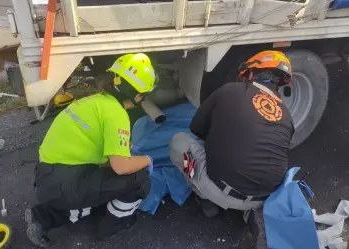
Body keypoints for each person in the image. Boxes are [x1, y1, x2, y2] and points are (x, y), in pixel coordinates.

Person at [25, 53, 156, 248]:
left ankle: (43, 216)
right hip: (67, 184)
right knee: (139, 178)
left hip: (47, 177)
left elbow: (96, 154)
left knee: (101, 180)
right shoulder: (116, 114)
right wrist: (147, 160)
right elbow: (120, 167)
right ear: (138, 95)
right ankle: (113, 226)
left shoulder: (94, 102)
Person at [170, 50, 294, 220]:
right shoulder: (287, 115)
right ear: (278, 84)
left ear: (251, 73)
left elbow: (196, 128)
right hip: (264, 200)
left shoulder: (229, 90)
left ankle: (203, 195)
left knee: (179, 143)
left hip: (221, 192)